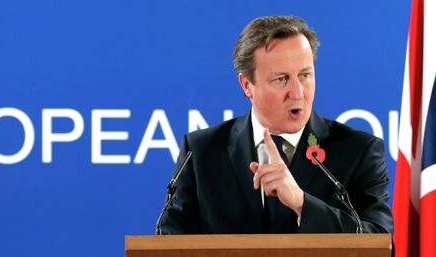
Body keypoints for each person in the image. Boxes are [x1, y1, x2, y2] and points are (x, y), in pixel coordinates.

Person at [157, 15, 393, 234]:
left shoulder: (359, 151)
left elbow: (380, 245)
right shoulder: (201, 152)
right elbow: (170, 250)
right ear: (247, 85)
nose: (297, 92)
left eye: (305, 75)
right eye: (281, 79)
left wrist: (302, 204)